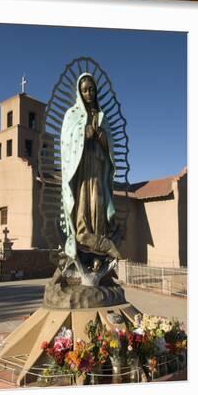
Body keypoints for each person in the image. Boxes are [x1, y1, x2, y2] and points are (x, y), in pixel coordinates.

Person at [60, 72, 120, 269]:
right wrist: (82, 133)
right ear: (79, 91)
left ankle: (99, 248)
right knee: (83, 204)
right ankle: (83, 239)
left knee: (98, 205)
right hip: (81, 170)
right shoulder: (72, 114)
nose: (88, 93)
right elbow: (66, 141)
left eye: (91, 89)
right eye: (84, 90)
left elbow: (110, 144)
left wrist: (101, 136)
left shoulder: (101, 116)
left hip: (98, 168)